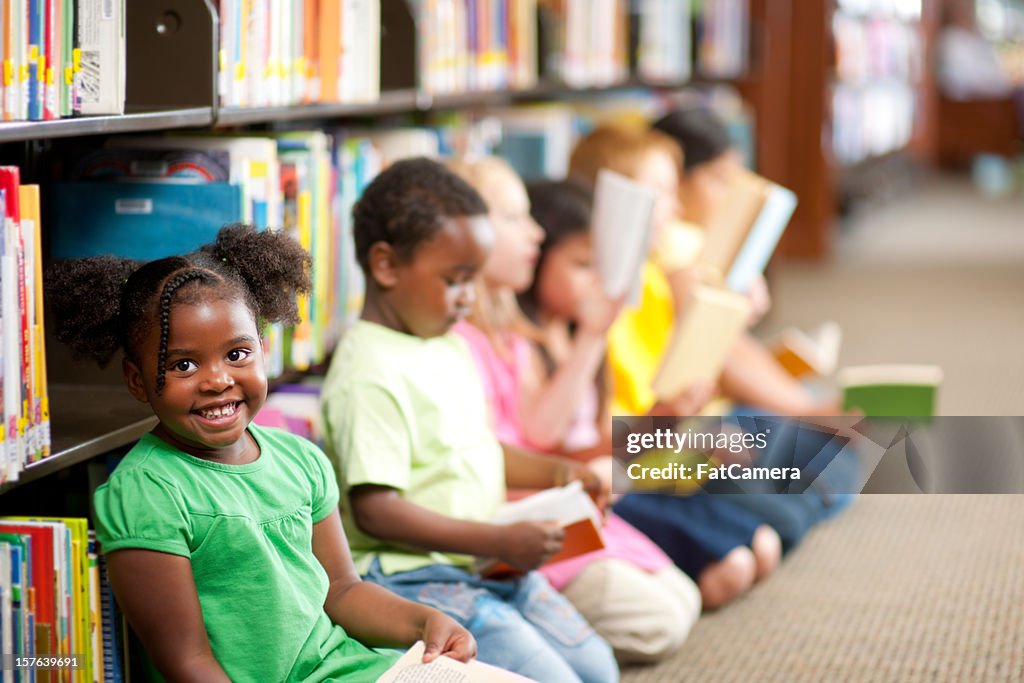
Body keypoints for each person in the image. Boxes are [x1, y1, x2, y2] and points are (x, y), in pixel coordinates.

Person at [45, 225, 476, 682]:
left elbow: (344, 592)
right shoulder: (147, 493)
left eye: (237, 354)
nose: (217, 380)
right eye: (183, 365)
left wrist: (424, 622)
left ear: (262, 352)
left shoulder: (301, 460)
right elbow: (187, 662)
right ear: (137, 381)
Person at [320, 157, 619, 683]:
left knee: (599, 670)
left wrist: (557, 474)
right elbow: (377, 512)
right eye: (455, 281)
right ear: (386, 266)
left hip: (485, 562)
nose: (468, 299)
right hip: (417, 579)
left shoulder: (445, 342)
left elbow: (475, 445)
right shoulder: (368, 370)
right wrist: (498, 541)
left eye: (473, 280)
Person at [446, 157, 701, 663]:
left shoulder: (515, 339)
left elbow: (542, 435)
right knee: (660, 623)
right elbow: (531, 442)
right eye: (515, 218)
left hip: (553, 506)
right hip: (512, 524)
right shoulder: (459, 342)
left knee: (682, 600)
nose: (534, 233)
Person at [567, 125, 782, 609]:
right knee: (755, 548)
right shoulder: (600, 301)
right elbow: (617, 440)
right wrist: (690, 434)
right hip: (633, 469)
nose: (677, 207)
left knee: (786, 510)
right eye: (662, 192)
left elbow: (684, 385)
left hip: (667, 451)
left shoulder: (652, 282)